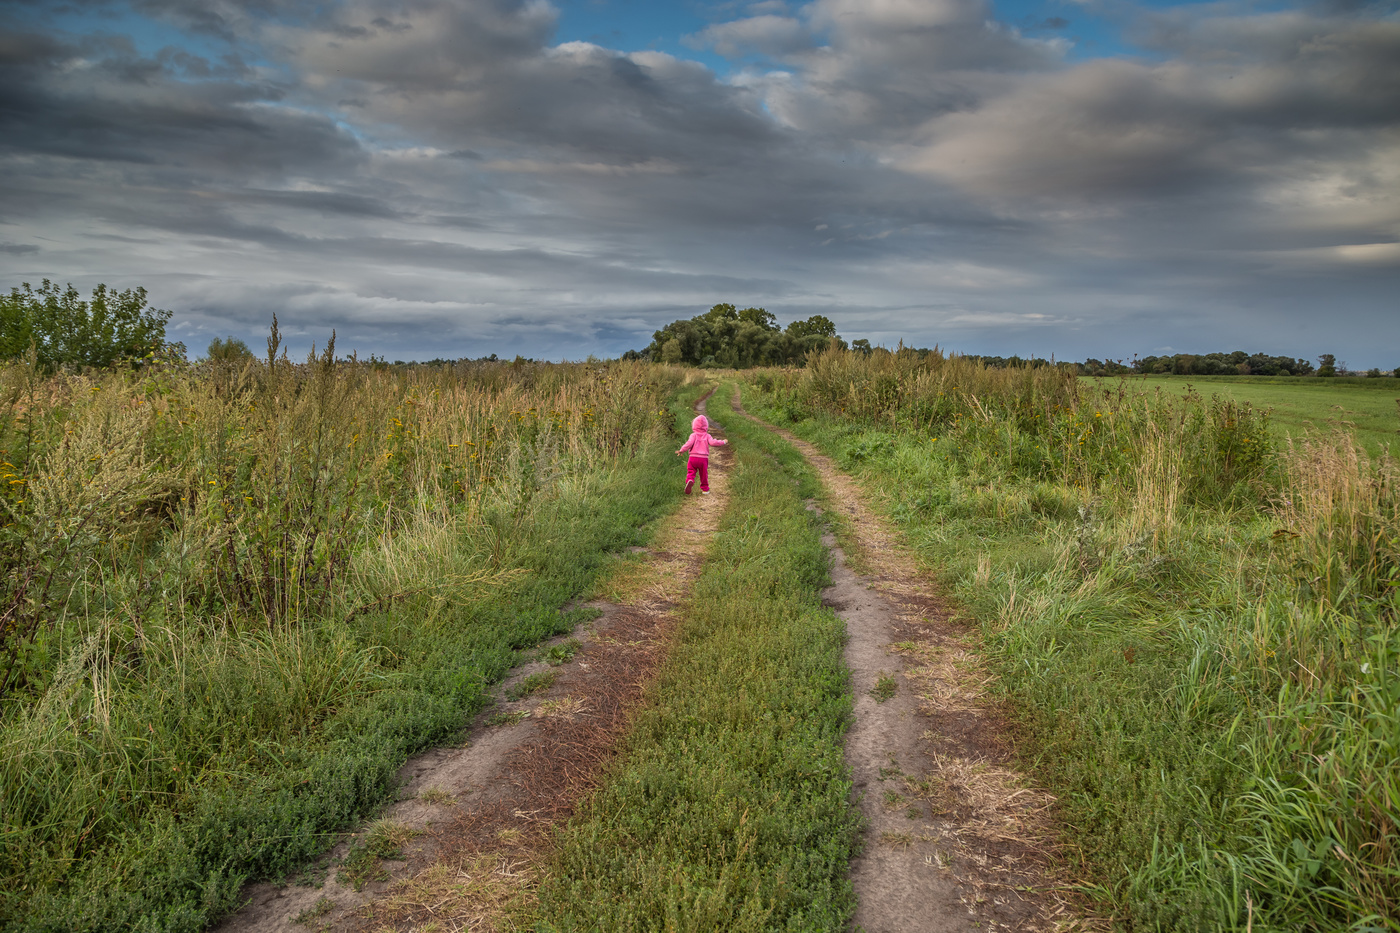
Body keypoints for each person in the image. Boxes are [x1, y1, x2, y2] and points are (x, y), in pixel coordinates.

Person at [675, 414, 727, 495]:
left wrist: (682, 450)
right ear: (706, 426)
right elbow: (713, 443)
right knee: (703, 474)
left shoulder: (693, 435)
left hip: (693, 458)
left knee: (691, 471)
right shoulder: (707, 436)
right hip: (703, 459)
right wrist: (723, 442)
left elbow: (688, 444)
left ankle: (690, 480)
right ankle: (705, 489)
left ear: (694, 425)